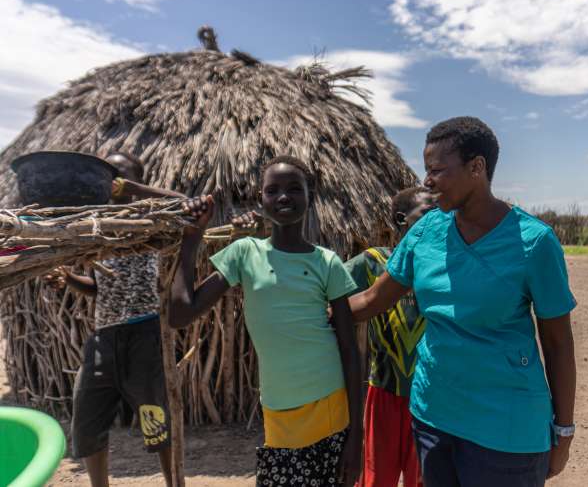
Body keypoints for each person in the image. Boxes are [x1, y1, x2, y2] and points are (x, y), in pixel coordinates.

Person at [348, 117, 577, 487]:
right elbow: (374, 298)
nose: (427, 181)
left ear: (477, 167)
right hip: (433, 418)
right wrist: (314, 312)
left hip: (506, 430)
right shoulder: (426, 231)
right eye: (427, 170)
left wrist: (564, 431)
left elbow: (558, 342)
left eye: (437, 170)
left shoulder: (534, 243)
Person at [170, 155, 363, 487]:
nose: (283, 197)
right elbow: (179, 314)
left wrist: (357, 437)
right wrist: (190, 242)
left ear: (309, 197)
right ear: (261, 200)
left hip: (329, 405)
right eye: (273, 190)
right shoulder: (245, 253)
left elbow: (350, 348)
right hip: (277, 407)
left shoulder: (327, 262)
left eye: (294, 189)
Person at [45, 151, 185, 487]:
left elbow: (188, 203)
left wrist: (138, 190)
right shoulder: (97, 224)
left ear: (136, 178)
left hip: (145, 332)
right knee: (87, 417)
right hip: (104, 335)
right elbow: (99, 287)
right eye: (109, 174)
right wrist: (68, 280)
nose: (113, 181)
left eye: (122, 174)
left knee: (157, 417)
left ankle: (173, 483)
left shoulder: (152, 217)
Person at [346, 187, 434, 487]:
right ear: (400, 220)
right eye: (427, 214)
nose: (437, 220)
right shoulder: (372, 263)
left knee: (422, 479)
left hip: (430, 397)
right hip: (383, 390)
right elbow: (330, 292)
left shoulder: (444, 266)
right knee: (375, 478)